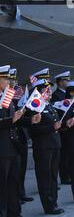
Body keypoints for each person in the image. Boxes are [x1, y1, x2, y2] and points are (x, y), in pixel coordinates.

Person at [0, 65, 34, 217]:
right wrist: (11, 120)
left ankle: (14, 215)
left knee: (13, 183)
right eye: (5, 78)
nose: (8, 82)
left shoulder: (7, 96)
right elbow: (7, 121)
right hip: (2, 148)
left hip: (12, 147)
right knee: (2, 185)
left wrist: (30, 120)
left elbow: (15, 120)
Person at [27, 79, 65, 214]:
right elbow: (33, 130)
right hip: (43, 146)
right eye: (45, 89)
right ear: (39, 91)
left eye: (49, 89)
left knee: (54, 175)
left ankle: (54, 202)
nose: (48, 91)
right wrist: (51, 127)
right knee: (45, 177)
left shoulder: (48, 105)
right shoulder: (34, 106)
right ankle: (48, 205)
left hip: (54, 144)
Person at [9, 68, 34, 204]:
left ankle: (21, 192)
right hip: (11, 138)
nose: (14, 81)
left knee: (21, 168)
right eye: (11, 79)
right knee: (13, 171)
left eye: (14, 79)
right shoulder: (6, 98)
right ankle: (16, 196)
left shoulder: (16, 95)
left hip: (21, 136)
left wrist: (29, 119)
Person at [52, 71, 71, 185]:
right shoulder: (56, 95)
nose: (67, 82)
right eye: (65, 80)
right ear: (59, 82)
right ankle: (64, 176)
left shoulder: (67, 94)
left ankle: (68, 174)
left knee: (68, 153)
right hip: (61, 127)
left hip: (68, 126)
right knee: (63, 154)